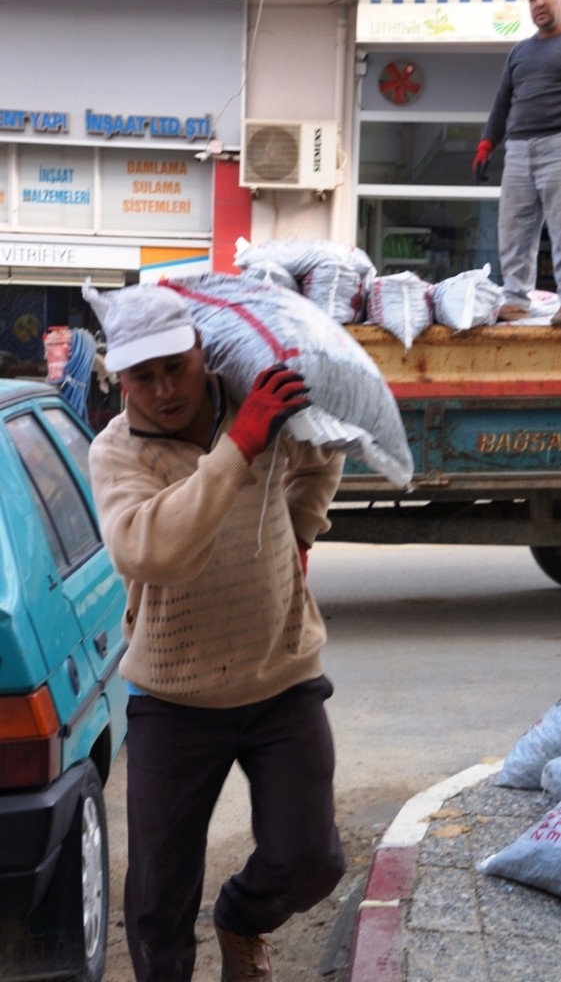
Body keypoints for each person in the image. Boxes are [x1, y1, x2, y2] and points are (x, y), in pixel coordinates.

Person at [83, 280, 346, 982]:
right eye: (144, 375)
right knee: (158, 897)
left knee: (312, 861)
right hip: (174, 697)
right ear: (121, 378)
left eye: (177, 366)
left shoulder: (257, 403)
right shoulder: (118, 455)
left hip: (281, 676)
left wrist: (300, 528)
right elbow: (150, 551)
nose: (165, 389)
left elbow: (322, 453)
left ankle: (240, 917)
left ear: (202, 352)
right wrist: (238, 448)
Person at [471, 0, 561, 321]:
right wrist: (485, 144)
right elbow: (501, 104)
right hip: (518, 150)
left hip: (558, 144)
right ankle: (515, 301)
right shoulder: (519, 52)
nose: (539, 2)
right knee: (514, 229)